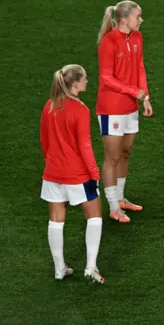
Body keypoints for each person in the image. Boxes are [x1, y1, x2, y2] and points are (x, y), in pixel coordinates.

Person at [40, 64, 105, 284]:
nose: (87, 81)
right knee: (94, 216)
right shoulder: (81, 110)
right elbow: (85, 145)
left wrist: (53, 163)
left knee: (56, 222)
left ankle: (59, 269)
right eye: (85, 78)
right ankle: (91, 268)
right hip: (78, 175)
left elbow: (44, 141)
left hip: (52, 174)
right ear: (76, 83)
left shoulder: (49, 106)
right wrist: (94, 173)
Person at [96, 0, 153, 223]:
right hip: (111, 108)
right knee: (112, 157)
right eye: (138, 16)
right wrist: (134, 92)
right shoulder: (108, 42)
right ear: (124, 19)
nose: (141, 20)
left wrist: (145, 96)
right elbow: (106, 79)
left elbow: (140, 67)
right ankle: (112, 206)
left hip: (131, 106)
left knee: (125, 152)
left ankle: (119, 198)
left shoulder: (137, 38)